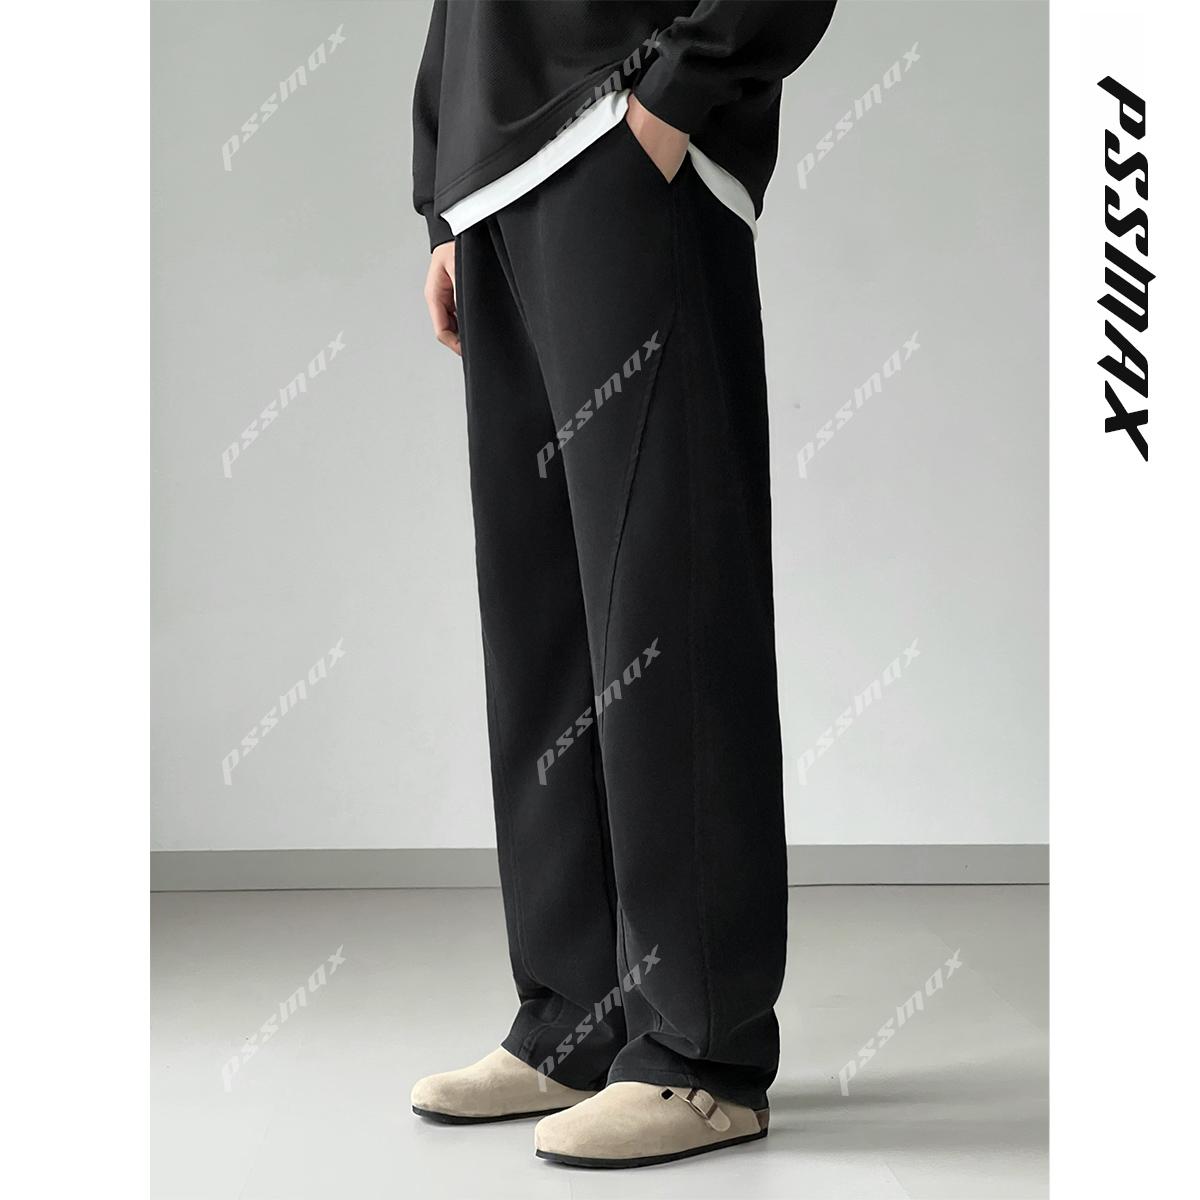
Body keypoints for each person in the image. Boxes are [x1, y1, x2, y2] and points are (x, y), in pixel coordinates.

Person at [410, 0, 837, 1169]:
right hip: (496, 176)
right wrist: (445, 190)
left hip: (621, 133)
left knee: (664, 599)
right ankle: (576, 1019)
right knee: (542, 624)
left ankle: (701, 1056)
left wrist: (671, 98)